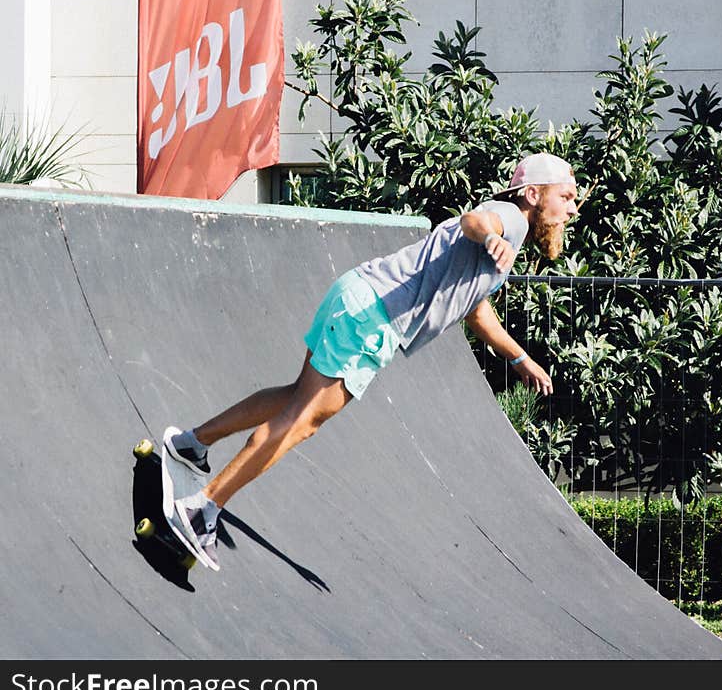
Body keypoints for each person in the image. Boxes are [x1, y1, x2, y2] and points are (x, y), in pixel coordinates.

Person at [163, 152, 580, 570]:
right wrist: (492, 236)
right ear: (533, 193)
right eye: (566, 196)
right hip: (372, 318)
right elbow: (477, 221)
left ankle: (191, 443)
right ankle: (200, 510)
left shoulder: (509, 237)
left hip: (358, 295)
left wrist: (519, 358)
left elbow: (476, 311)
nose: (572, 208)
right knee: (302, 420)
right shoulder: (510, 217)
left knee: (296, 398)